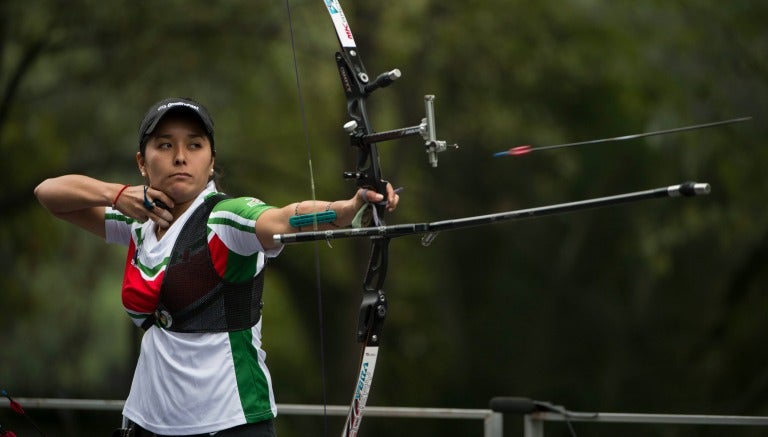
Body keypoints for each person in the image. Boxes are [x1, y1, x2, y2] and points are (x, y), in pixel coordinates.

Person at [34, 97, 399, 437]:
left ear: (211, 161)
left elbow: (282, 219)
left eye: (195, 145)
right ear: (142, 162)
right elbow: (49, 194)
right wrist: (115, 194)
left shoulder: (225, 217)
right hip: (147, 422)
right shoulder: (138, 221)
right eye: (164, 145)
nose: (180, 157)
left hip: (229, 422)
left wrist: (347, 209)